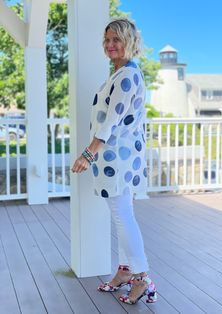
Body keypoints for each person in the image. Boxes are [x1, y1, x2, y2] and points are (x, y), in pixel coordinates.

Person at [72, 18, 157, 305]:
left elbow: (111, 121)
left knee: (123, 216)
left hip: (117, 159)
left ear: (130, 42)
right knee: (123, 214)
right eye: (107, 39)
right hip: (119, 158)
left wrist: (88, 153)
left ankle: (142, 277)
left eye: (116, 40)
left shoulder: (126, 76)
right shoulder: (121, 73)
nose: (110, 45)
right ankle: (124, 270)